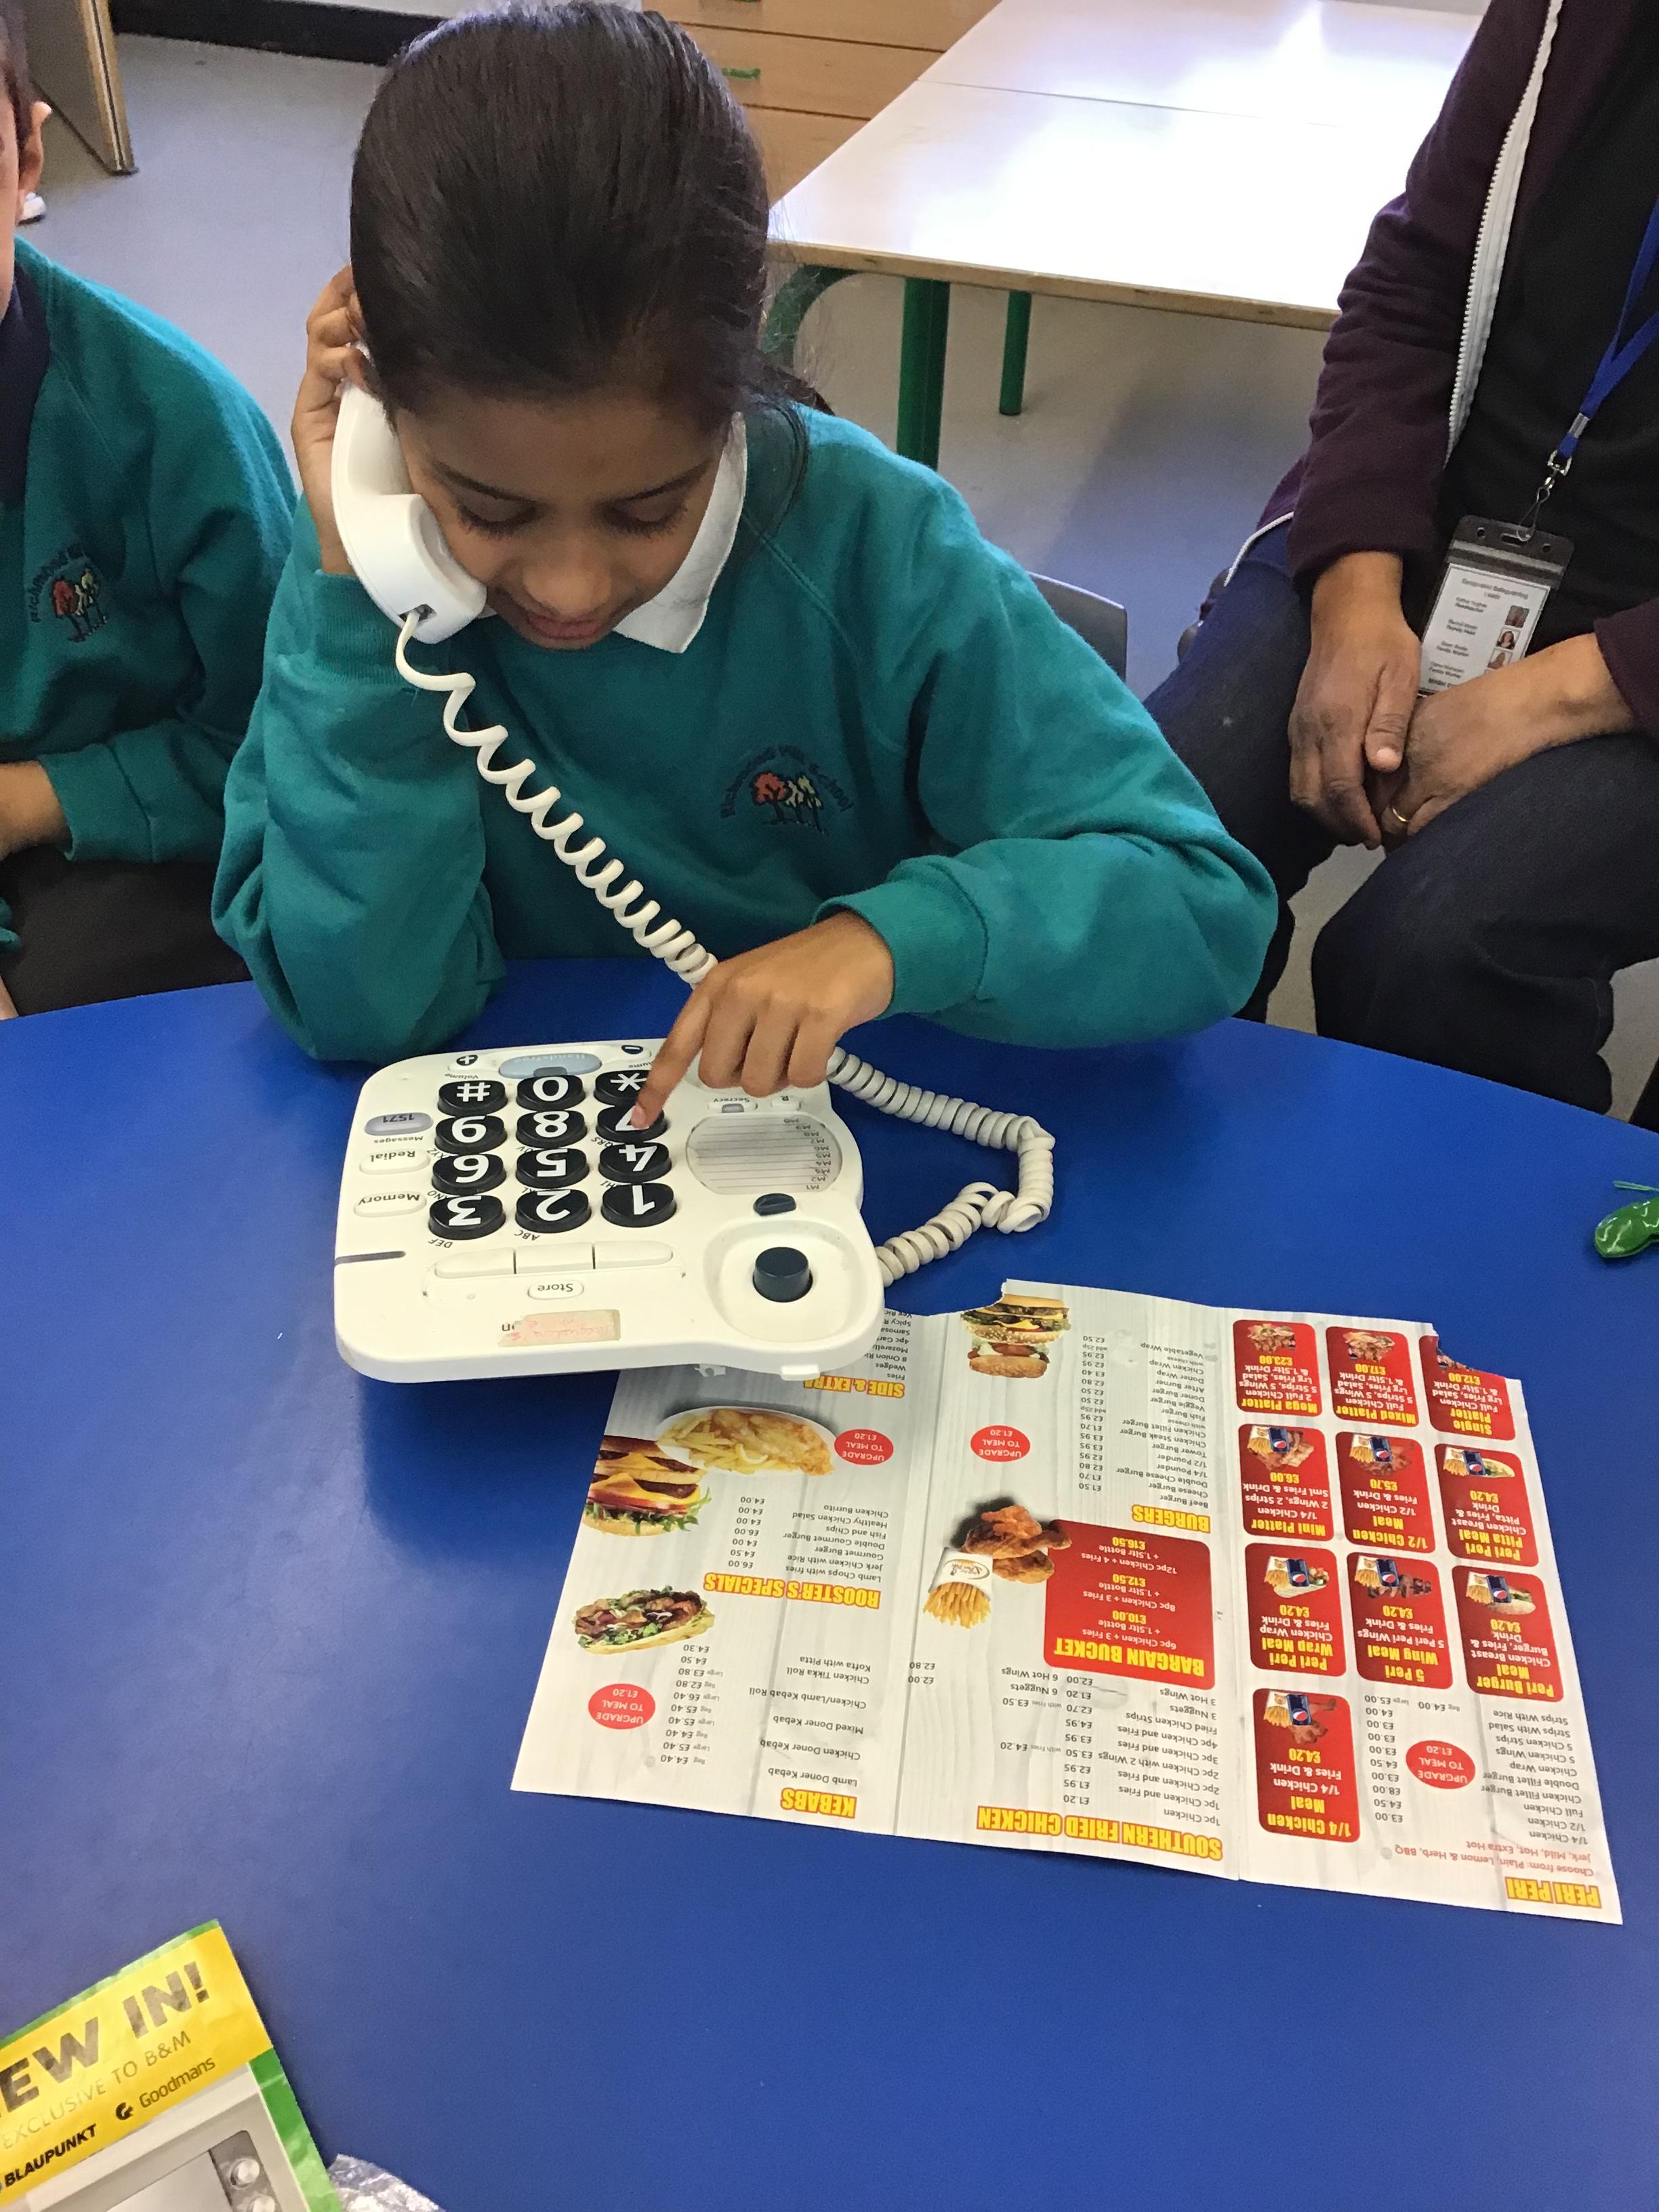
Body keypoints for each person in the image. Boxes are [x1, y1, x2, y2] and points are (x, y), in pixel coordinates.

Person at [215, 1, 1274, 1109]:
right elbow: (367, 1014)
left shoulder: (876, 548)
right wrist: (361, 609)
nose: (571, 587)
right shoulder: (362, 572)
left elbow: (1202, 903)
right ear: (379, 411)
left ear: (737, 381)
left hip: (844, 1128)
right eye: (490, 511)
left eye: (647, 511)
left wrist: (890, 942)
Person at [1147, 0, 1659, 1123]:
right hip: (1442, 513)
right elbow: (1413, 284)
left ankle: (1472, 1225)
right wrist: (1355, 588)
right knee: (1158, 842)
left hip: (1637, 644)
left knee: (1435, 951)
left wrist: (1563, 693)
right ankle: (1167, 1183)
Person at [0, 0, 293, 1015]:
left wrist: (31, 801)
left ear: (27, 154)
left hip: (138, 843)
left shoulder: (181, 426)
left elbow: (279, 746)